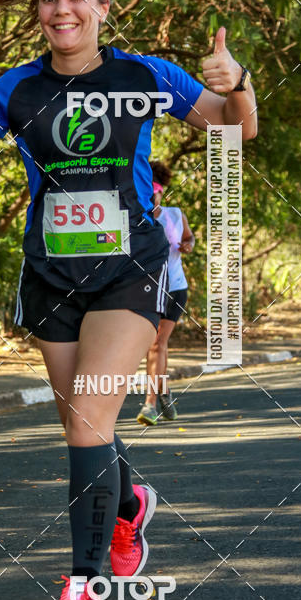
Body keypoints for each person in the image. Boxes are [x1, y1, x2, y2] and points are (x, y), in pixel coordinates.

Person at [0, 0, 257, 600]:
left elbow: (236, 124)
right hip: (51, 277)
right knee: (84, 423)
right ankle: (128, 499)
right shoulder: (16, 89)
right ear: (38, 11)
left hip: (129, 270)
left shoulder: (144, 75)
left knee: (85, 424)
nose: (61, 9)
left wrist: (240, 79)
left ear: (104, 7)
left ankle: (84, 591)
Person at [137, 161, 195, 425]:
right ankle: (165, 392)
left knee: (157, 343)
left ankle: (150, 404)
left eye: (155, 192)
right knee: (158, 344)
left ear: (161, 192)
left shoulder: (174, 214)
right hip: (147, 289)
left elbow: (190, 238)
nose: (152, 197)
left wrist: (188, 245)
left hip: (175, 287)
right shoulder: (136, 218)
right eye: (146, 193)